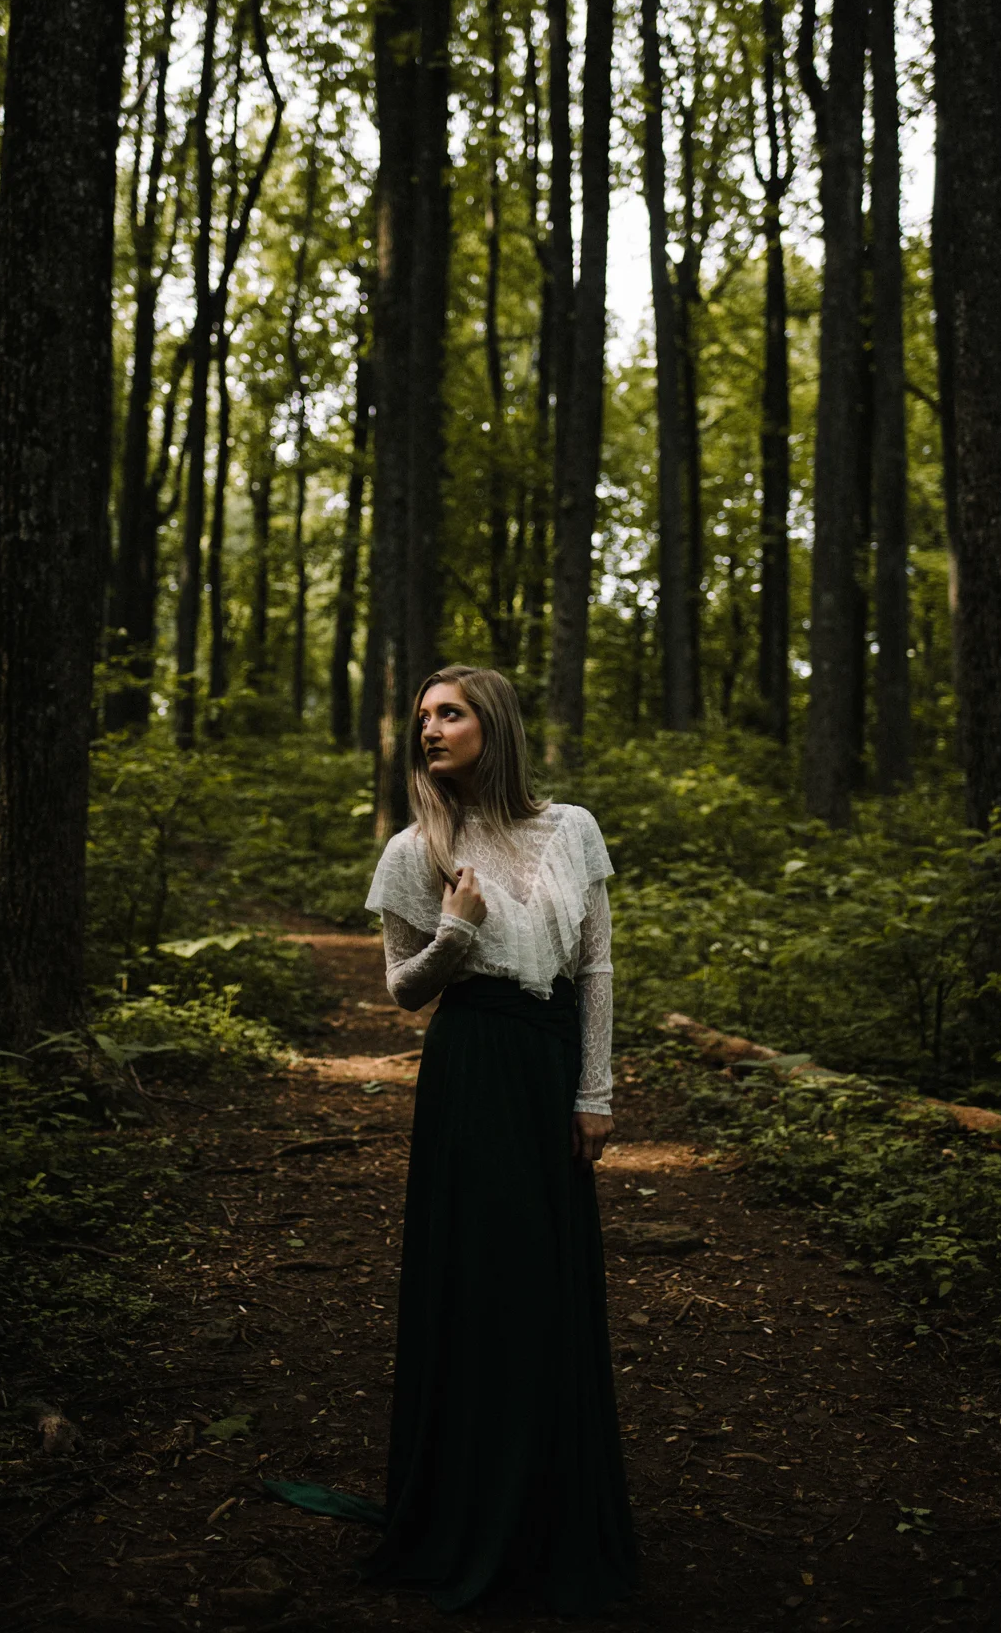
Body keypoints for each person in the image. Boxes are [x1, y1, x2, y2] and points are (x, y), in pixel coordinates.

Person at [359, 664, 637, 1614]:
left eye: (449, 713)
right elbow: (403, 989)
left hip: (548, 1062)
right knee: (482, 1274)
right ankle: (467, 1506)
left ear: (494, 724)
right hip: (471, 1068)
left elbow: (595, 967)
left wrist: (593, 1091)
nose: (429, 729)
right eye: (422, 717)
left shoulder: (573, 829)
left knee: (546, 1277)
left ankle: (552, 1505)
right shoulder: (413, 848)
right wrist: (452, 931)